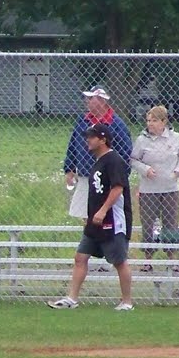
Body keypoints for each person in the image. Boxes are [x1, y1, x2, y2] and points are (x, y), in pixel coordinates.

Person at [50, 122, 134, 310]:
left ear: (103, 140)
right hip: (94, 220)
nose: (87, 140)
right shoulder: (97, 162)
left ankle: (127, 302)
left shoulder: (114, 161)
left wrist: (103, 210)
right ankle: (72, 298)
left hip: (113, 219)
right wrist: (91, 215)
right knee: (80, 257)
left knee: (119, 261)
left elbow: (118, 188)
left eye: (92, 137)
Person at [129, 105, 179, 261]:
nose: (150, 124)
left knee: (171, 223)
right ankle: (148, 258)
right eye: (148, 120)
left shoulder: (175, 137)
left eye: (154, 121)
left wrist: (178, 170)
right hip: (149, 190)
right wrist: (145, 169)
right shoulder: (142, 140)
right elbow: (133, 159)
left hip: (171, 188)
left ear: (164, 122)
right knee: (148, 224)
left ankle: (171, 257)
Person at [63, 87, 132, 218]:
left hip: (107, 179)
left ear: (102, 101)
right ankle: (89, 236)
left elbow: (125, 152)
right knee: (86, 214)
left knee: (107, 214)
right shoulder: (83, 121)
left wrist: (119, 175)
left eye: (90, 98)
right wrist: (69, 168)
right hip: (86, 174)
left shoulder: (116, 124)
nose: (86, 101)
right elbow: (73, 145)